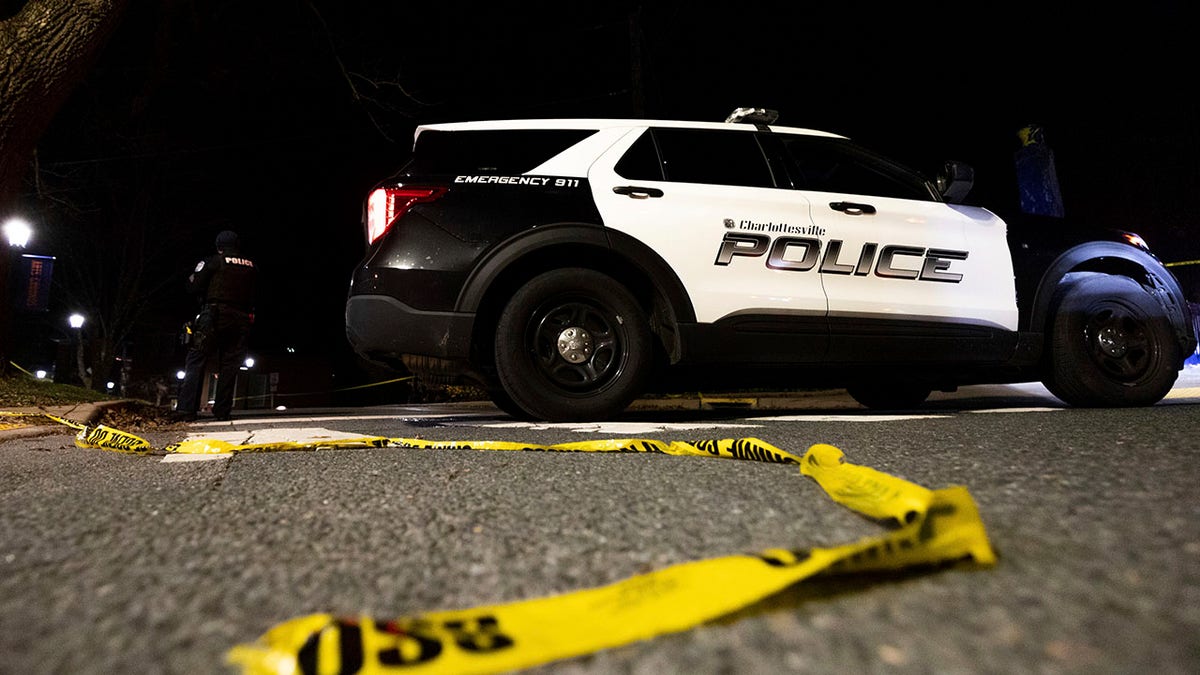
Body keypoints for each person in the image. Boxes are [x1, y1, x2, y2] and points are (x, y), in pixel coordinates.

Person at [175, 230, 256, 421]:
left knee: (196, 359)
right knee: (230, 365)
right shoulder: (251, 266)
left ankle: (186, 409)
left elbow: (193, 286)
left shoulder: (213, 262)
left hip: (213, 316)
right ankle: (222, 411)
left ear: (219, 246)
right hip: (241, 319)